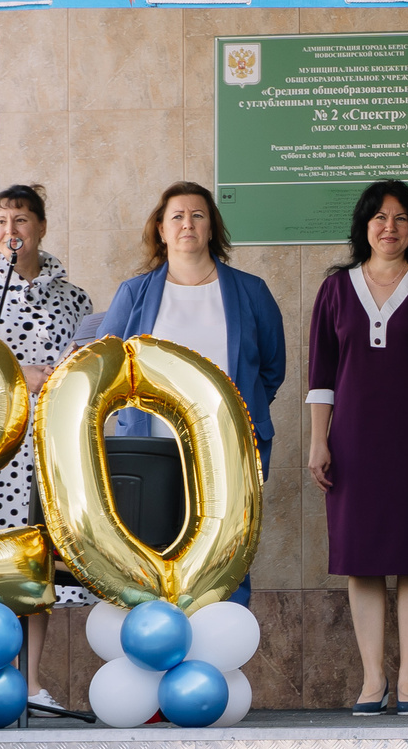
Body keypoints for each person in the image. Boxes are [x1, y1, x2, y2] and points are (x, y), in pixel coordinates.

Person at [305, 181, 408, 716]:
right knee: (363, 560)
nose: (390, 226)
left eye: (401, 218)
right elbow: (321, 376)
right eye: (379, 217)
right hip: (352, 440)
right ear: (363, 226)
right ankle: (373, 678)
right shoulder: (335, 289)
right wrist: (317, 441)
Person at [0, 184, 96, 712]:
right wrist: (17, 374)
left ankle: (30, 683)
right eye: (2, 221)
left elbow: (87, 362)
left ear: (41, 227)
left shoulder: (73, 297)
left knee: (34, 561)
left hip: (46, 445)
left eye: (22, 220)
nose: (11, 231)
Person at [99, 181, 286, 602]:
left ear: (212, 228)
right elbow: (107, 369)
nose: (188, 224)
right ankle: (157, 649)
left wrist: (235, 414)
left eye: (198, 215)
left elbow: (272, 369)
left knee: (227, 555)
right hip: (153, 448)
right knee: (153, 550)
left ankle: (220, 651)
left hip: (230, 447)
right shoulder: (135, 293)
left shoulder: (250, 291)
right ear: (161, 230)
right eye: (177, 216)